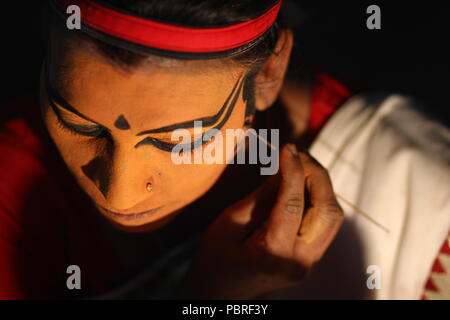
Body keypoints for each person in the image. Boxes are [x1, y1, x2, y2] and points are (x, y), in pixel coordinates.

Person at [0, 0, 448, 300]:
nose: (119, 195)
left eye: (182, 140)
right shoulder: (11, 185)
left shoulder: (425, 194)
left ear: (269, 73)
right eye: (76, 122)